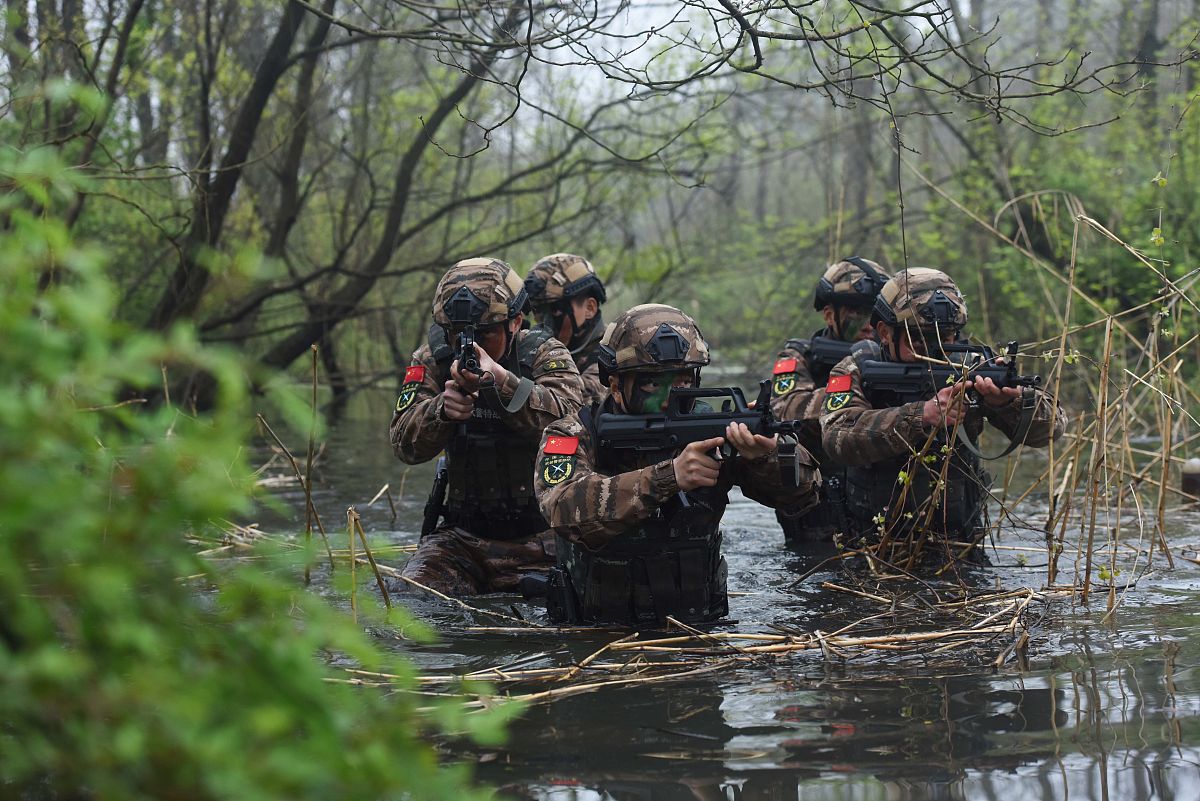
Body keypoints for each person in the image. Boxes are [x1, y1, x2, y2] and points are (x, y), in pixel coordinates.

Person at [533, 304, 820, 626]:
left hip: (700, 627)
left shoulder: (713, 431)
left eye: (683, 382)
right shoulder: (574, 433)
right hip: (596, 631)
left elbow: (803, 496)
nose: (671, 397)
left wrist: (765, 457)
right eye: (654, 384)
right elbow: (560, 509)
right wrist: (668, 477)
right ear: (614, 384)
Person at [820, 268, 1067, 546]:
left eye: (946, 337)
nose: (934, 350)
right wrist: (920, 416)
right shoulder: (856, 367)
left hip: (958, 543)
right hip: (872, 544)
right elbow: (836, 438)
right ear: (885, 332)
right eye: (919, 339)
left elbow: (1051, 429)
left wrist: (1008, 402)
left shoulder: (972, 366)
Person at [389, 257, 584, 595]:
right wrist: (441, 412)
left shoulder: (543, 355)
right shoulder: (431, 361)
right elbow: (403, 444)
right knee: (407, 600)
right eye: (457, 334)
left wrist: (502, 382)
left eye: (485, 334)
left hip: (542, 542)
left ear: (516, 322)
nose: (469, 345)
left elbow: (572, 423)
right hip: (463, 541)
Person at [769, 257, 892, 543]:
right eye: (856, 312)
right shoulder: (800, 357)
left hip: (878, 507)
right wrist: (856, 393)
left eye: (874, 313)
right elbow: (788, 409)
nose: (868, 324)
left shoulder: (897, 354)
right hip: (820, 515)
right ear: (829, 315)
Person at [524, 253, 609, 404]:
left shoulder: (613, 350)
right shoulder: (532, 349)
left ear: (589, 308)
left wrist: (506, 382)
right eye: (538, 311)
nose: (543, 322)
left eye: (555, 310)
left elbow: (577, 396)